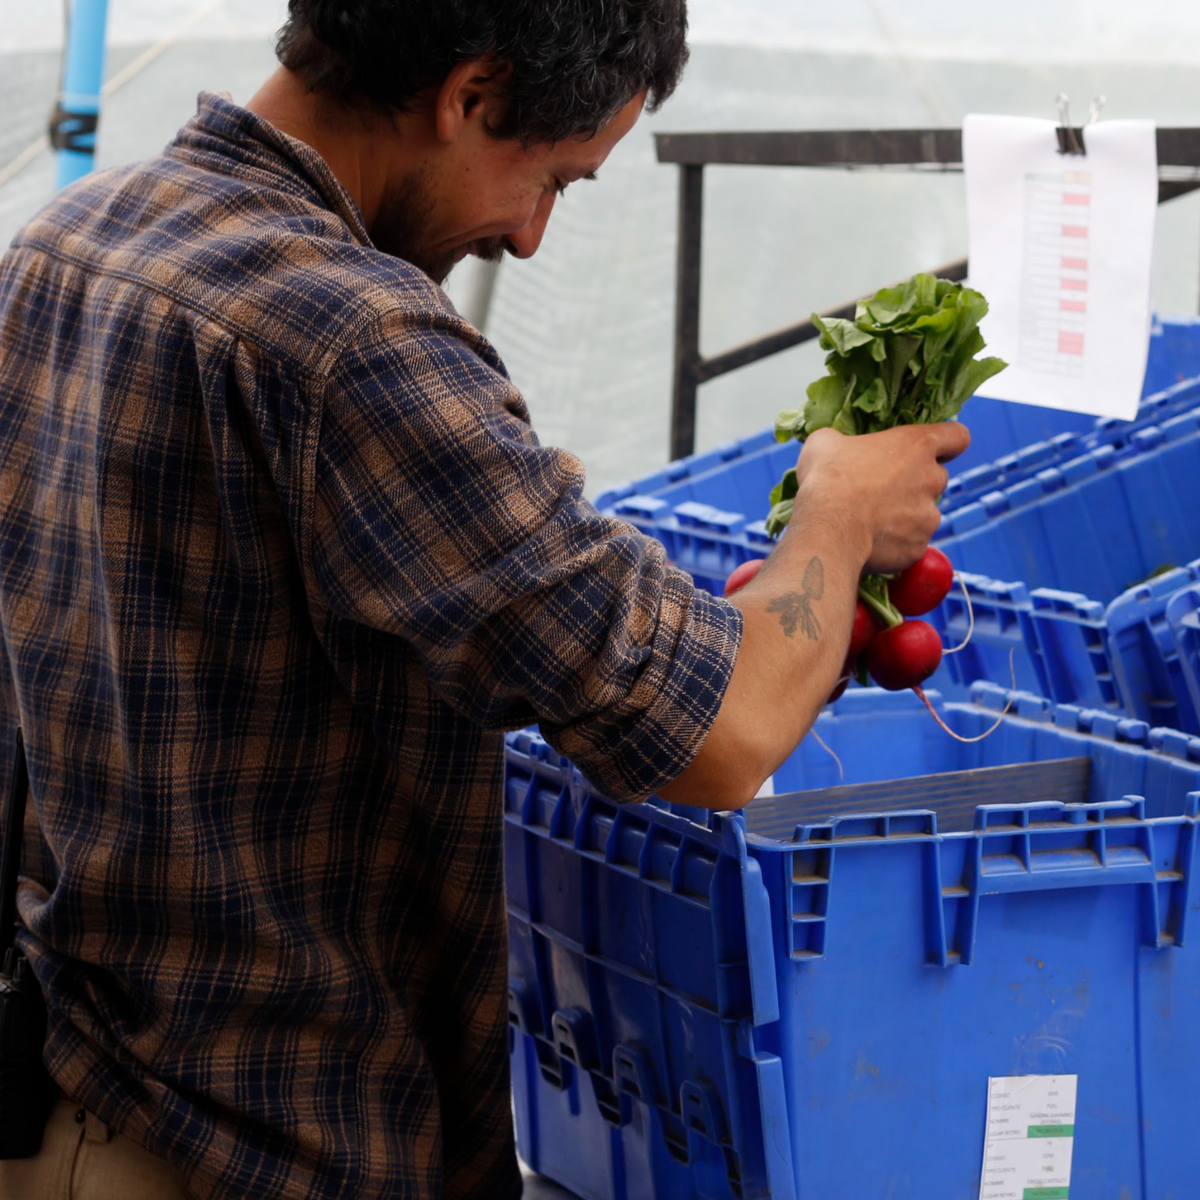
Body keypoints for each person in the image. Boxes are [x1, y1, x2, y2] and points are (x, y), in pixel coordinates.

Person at [0, 0, 967, 1196]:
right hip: (255, 1152)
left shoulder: (70, 240)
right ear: (468, 95)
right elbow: (722, 735)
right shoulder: (352, 338)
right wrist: (840, 513)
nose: (531, 235)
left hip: (85, 1098)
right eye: (551, 177)